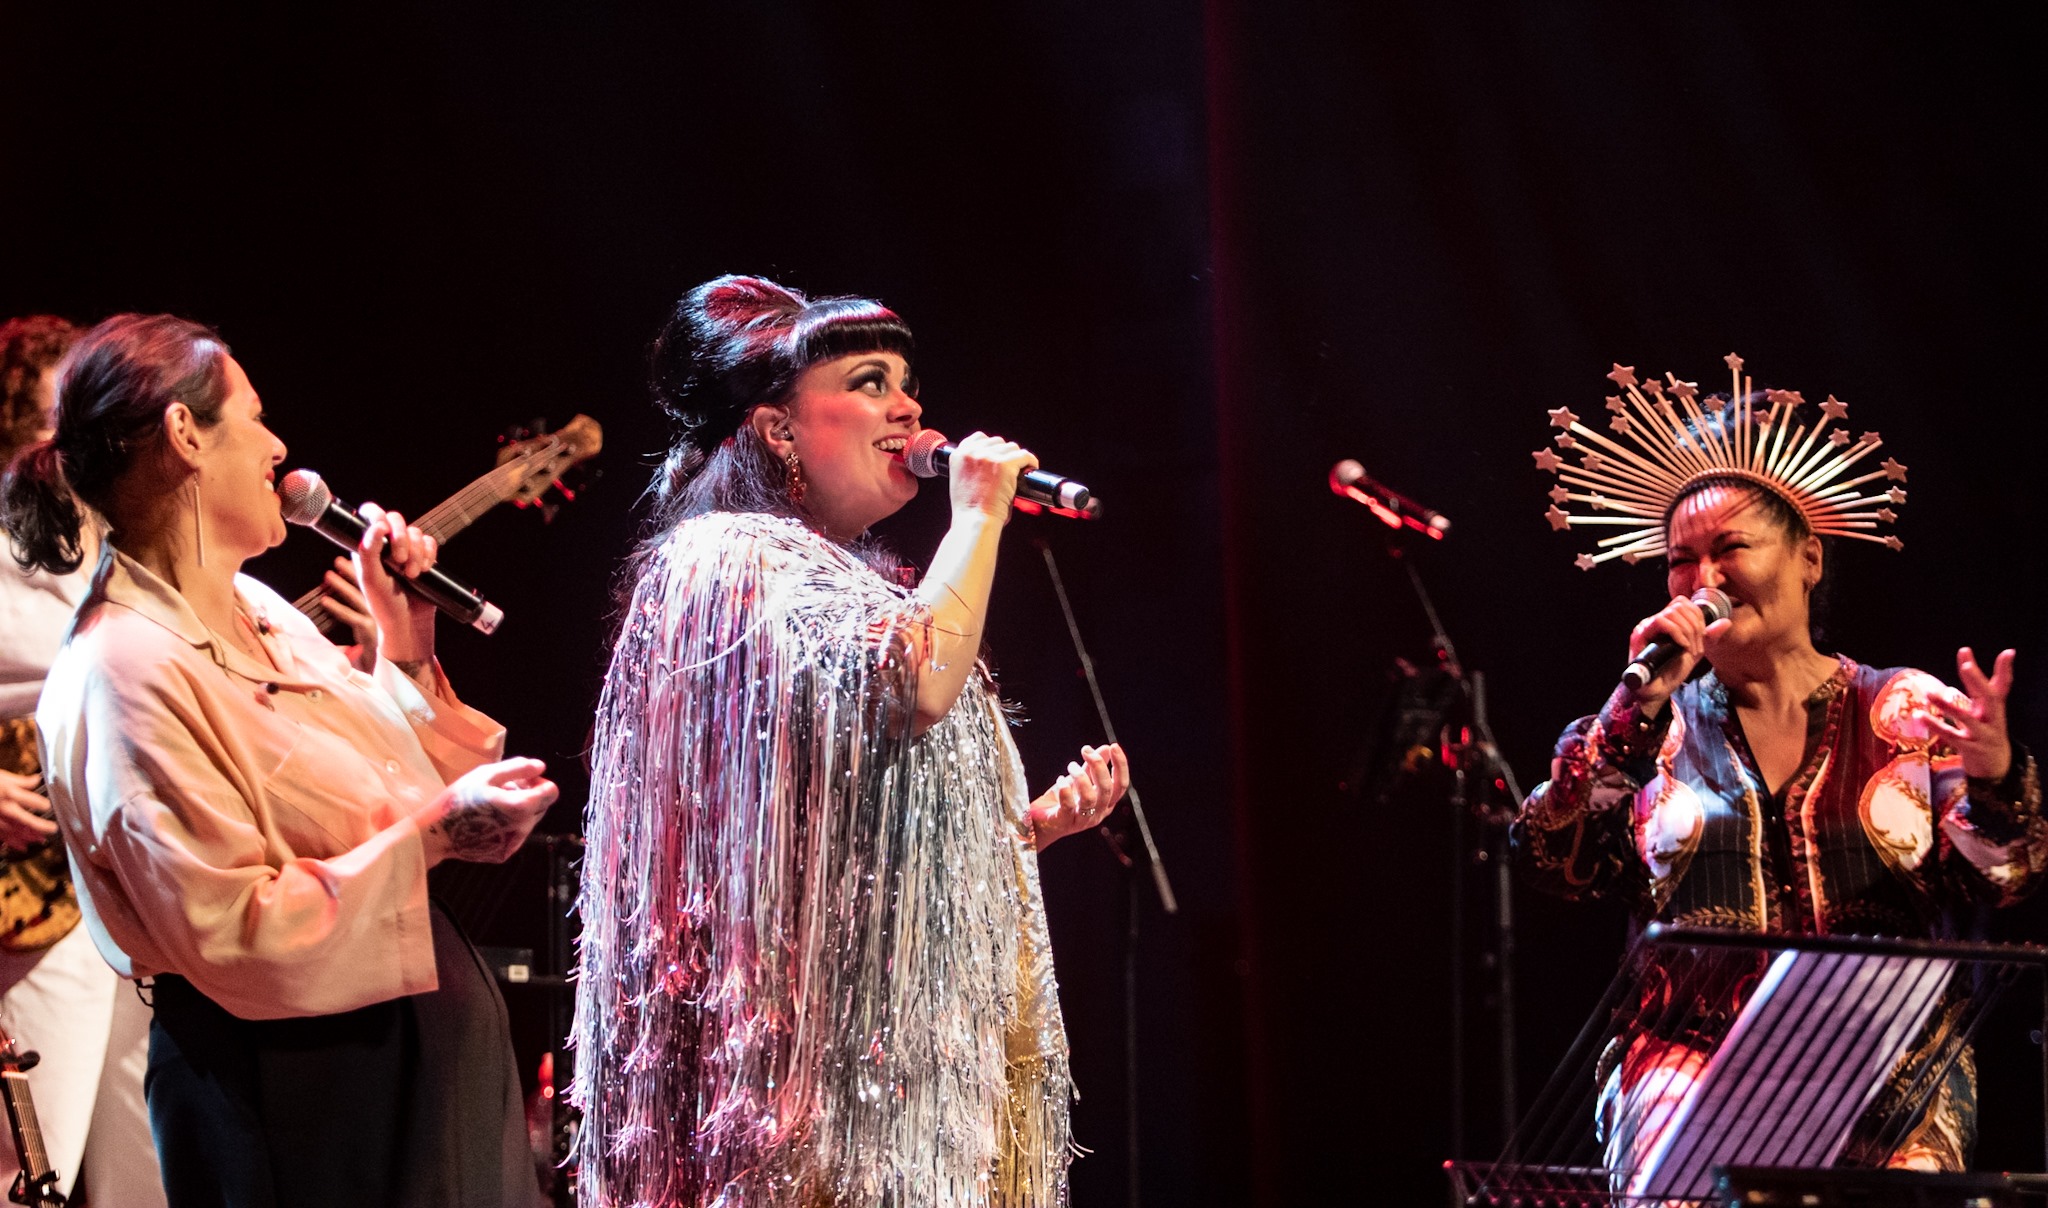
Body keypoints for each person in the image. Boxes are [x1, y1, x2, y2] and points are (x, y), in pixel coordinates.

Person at [572, 276, 1128, 1208]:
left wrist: (1013, 833)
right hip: (818, 1093)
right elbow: (914, 685)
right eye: (869, 380)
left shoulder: (837, 580)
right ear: (778, 428)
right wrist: (982, 515)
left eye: (907, 382)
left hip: (897, 1076)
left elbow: (830, 816)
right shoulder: (730, 557)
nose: (908, 406)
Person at [0, 313, 560, 1207]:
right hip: (302, 1091)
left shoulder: (261, 608)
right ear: (185, 435)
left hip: (412, 1050)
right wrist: (435, 832)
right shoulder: (123, 665)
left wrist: (403, 646)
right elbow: (230, 922)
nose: (278, 445)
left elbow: (392, 789)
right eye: (254, 417)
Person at [1518, 363, 2043, 1178]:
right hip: (1688, 1071)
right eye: (1681, 561)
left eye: (1730, 548)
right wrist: (1633, 711)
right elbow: (1554, 862)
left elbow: (2011, 878)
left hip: (1891, 1077)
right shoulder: (1644, 732)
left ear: (1809, 559)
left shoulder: (1908, 710)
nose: (1705, 582)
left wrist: (1997, 776)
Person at [0, 313, 166, 1205]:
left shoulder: (115, 541)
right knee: (36, 1160)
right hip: (32, 898)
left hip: (119, 881)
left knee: (145, 1161)